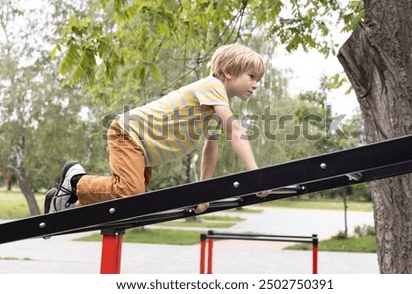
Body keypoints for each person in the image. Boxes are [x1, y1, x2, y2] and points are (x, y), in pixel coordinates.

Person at [44, 43, 271, 215]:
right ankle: (75, 181)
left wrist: (205, 190)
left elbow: (210, 151)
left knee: (128, 199)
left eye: (258, 79)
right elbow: (235, 131)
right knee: (130, 193)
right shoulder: (213, 86)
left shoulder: (215, 112)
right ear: (229, 72)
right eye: (252, 76)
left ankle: (68, 202)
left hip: (144, 151)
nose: (256, 84)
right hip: (129, 133)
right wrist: (257, 176)